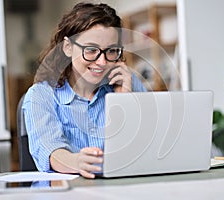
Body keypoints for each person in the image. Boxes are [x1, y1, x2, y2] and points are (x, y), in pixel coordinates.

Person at [22, 2, 146, 179]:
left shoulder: (128, 83)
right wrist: (76, 162)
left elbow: (145, 149)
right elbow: (51, 152)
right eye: (91, 50)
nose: (102, 62)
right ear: (68, 47)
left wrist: (124, 101)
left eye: (111, 51)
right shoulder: (40, 95)